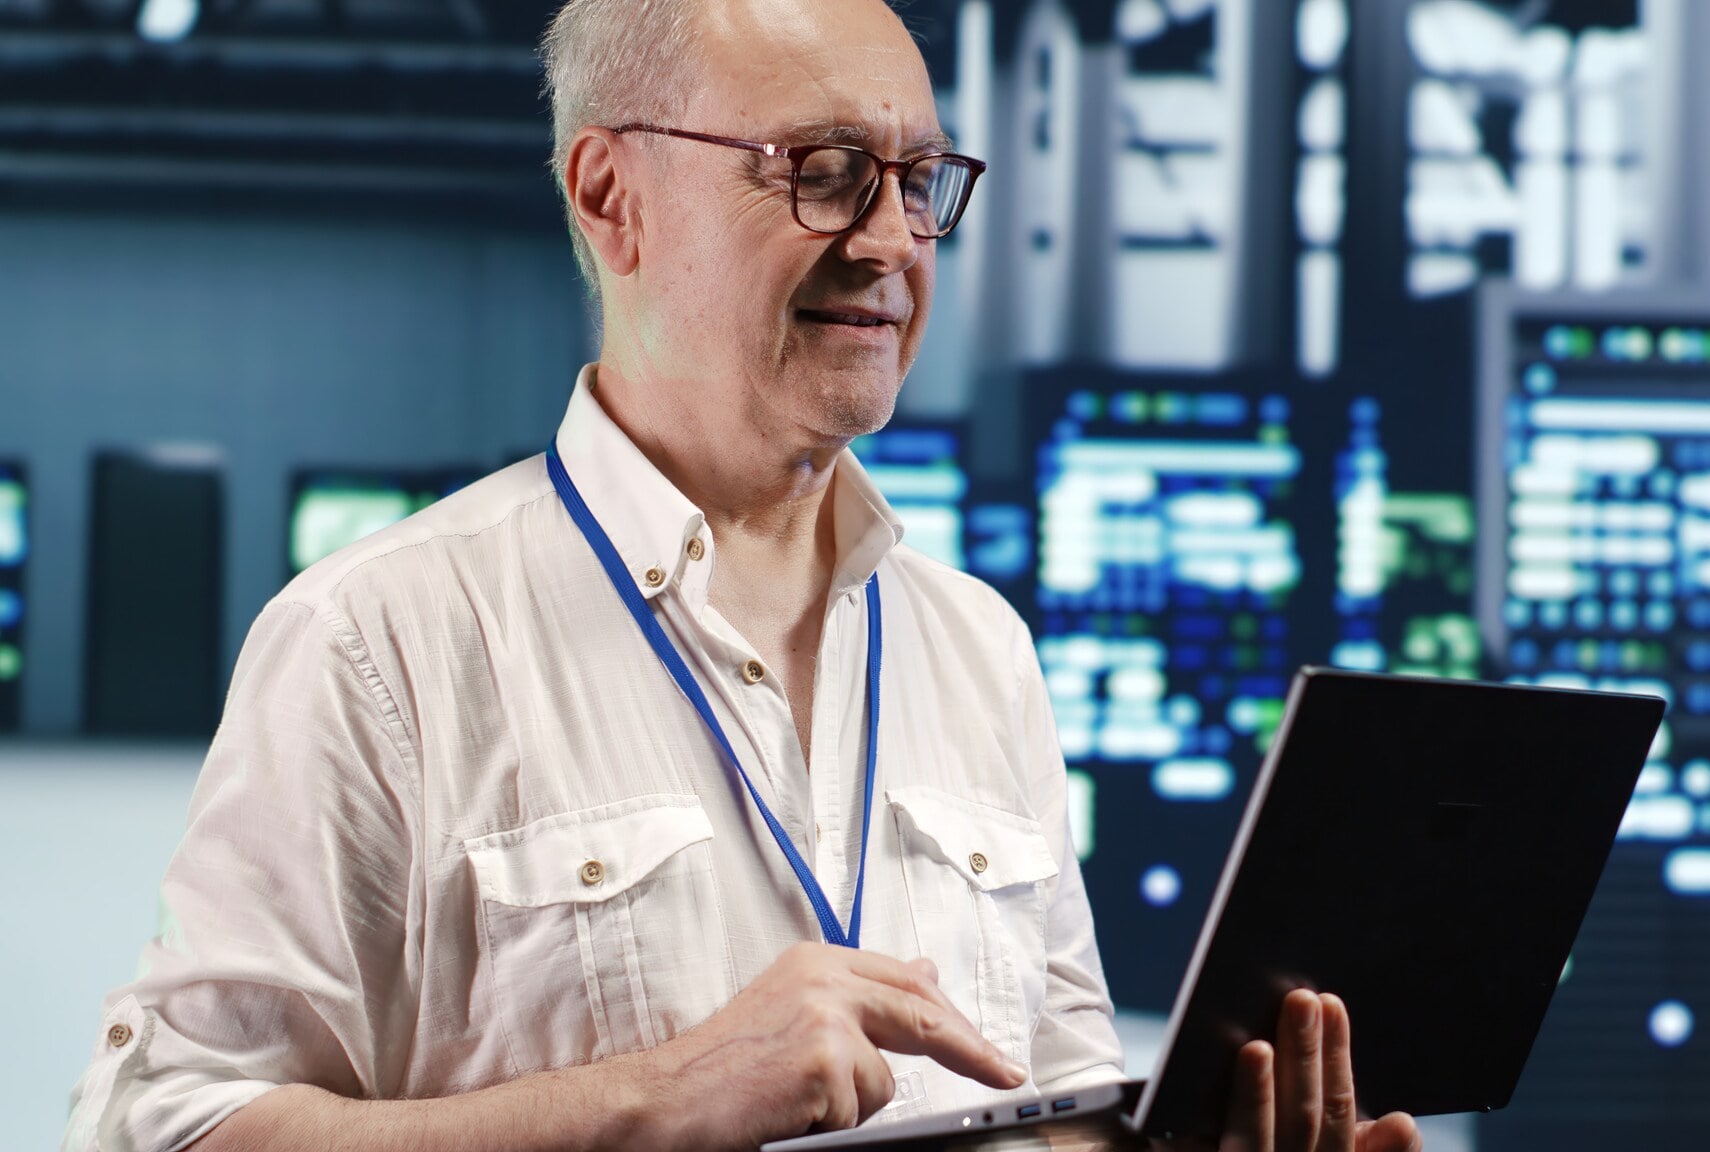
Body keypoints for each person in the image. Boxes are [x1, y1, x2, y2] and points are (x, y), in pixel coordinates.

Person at [63, 2, 1423, 1151]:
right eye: (824, 169)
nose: (891, 240)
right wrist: (663, 1097)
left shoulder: (976, 649)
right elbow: (169, 1120)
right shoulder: (385, 638)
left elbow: (1049, 1104)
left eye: (919, 179)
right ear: (612, 196)